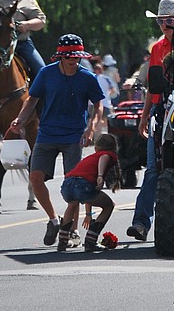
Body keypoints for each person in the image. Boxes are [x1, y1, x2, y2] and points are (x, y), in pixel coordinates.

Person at [11, 33, 107, 246]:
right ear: (60, 57)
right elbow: (32, 100)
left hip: (73, 136)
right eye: (69, 57)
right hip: (46, 134)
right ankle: (54, 220)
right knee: (36, 178)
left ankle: (72, 230)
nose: (74, 60)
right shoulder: (46, 74)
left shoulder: (87, 78)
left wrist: (91, 127)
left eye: (77, 56)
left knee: (73, 185)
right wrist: (20, 119)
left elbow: (98, 104)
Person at [130, 0, 174, 242]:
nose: (165, 25)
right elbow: (153, 86)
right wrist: (144, 116)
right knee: (153, 169)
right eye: (161, 21)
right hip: (161, 112)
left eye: (170, 20)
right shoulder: (157, 49)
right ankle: (141, 223)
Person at [57, 133, 121, 252]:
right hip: (83, 186)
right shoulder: (107, 155)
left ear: (96, 148)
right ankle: (91, 240)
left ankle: (62, 240)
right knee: (109, 205)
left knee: (72, 204)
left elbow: (88, 196)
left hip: (67, 184)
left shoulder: (91, 157)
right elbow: (105, 157)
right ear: (114, 148)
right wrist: (101, 175)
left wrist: (88, 214)